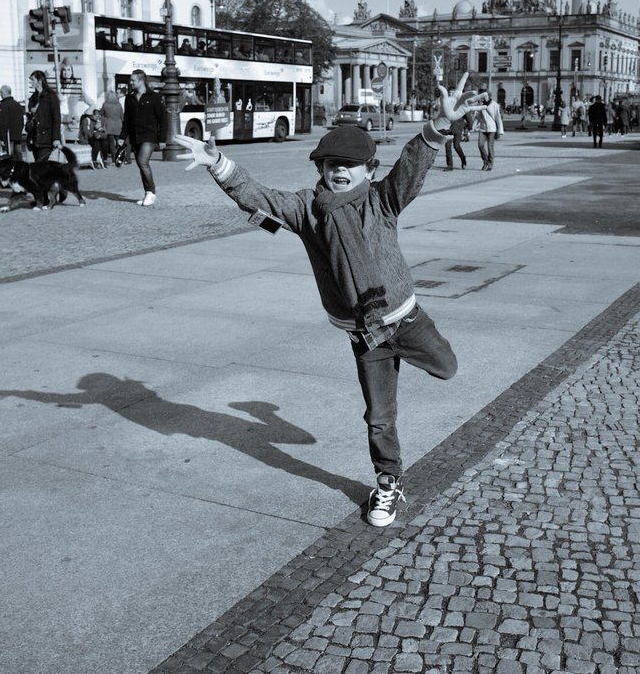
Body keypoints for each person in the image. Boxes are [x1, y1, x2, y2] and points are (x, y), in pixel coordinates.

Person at [171, 75, 482, 527]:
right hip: (364, 334)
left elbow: (413, 165)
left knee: (448, 368)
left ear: (370, 170)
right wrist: (216, 161)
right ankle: (388, 482)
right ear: (319, 168)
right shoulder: (306, 209)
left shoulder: (383, 201)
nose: (339, 169)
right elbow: (258, 197)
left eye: (350, 163)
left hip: (404, 318)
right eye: (331, 162)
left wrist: (437, 126)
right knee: (379, 414)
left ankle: (409, 353)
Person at [121, 69, 165, 206]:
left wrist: (162, 139)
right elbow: (126, 119)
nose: (130, 82)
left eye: (133, 80)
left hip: (149, 136)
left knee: (142, 161)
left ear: (141, 81)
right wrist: (122, 137)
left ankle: (151, 193)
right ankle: (147, 193)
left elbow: (162, 119)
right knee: (141, 165)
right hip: (135, 136)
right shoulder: (129, 98)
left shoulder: (154, 97)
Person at [26, 70, 62, 162]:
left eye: (32, 80)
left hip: (46, 139)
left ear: (40, 81)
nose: (31, 83)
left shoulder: (51, 97)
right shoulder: (33, 98)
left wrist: (56, 138)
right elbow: (29, 118)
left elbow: (56, 119)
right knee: (39, 167)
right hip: (34, 139)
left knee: (40, 166)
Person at [473, 92, 504, 171]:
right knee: (480, 145)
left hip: (492, 129)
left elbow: (498, 118)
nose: (483, 97)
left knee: (490, 147)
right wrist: (473, 126)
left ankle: (490, 164)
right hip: (483, 128)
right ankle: (485, 161)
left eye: (485, 96)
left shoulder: (494, 105)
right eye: (482, 96)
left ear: (489, 96)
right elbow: (478, 117)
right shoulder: (481, 105)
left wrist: (500, 130)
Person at [0, 85, 26, 160]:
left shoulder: (3, 105)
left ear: (3, 93)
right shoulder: (17, 105)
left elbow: (3, 123)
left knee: (9, 156)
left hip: (8, 135)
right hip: (17, 135)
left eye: (0, 92)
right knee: (18, 155)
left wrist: (2, 138)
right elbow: (21, 121)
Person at [100, 90, 126, 167]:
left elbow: (101, 113)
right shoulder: (119, 104)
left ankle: (114, 160)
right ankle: (121, 159)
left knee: (111, 144)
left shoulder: (105, 104)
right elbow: (122, 115)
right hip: (118, 124)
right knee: (120, 143)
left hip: (109, 125)